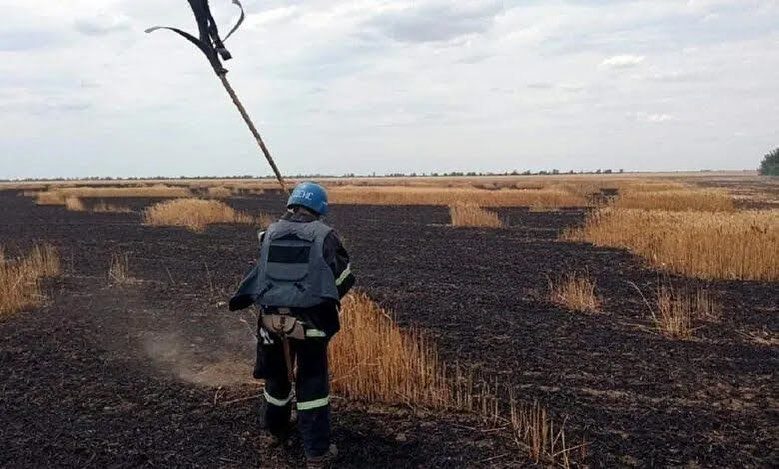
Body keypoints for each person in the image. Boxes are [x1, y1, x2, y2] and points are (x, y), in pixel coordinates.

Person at [230, 182, 355, 468]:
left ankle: (275, 432)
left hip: (270, 324)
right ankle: (316, 454)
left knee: (276, 380)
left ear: (291, 204)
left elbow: (260, 275)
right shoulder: (325, 236)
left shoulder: (269, 233)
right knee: (312, 386)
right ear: (320, 208)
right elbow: (343, 280)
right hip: (310, 325)